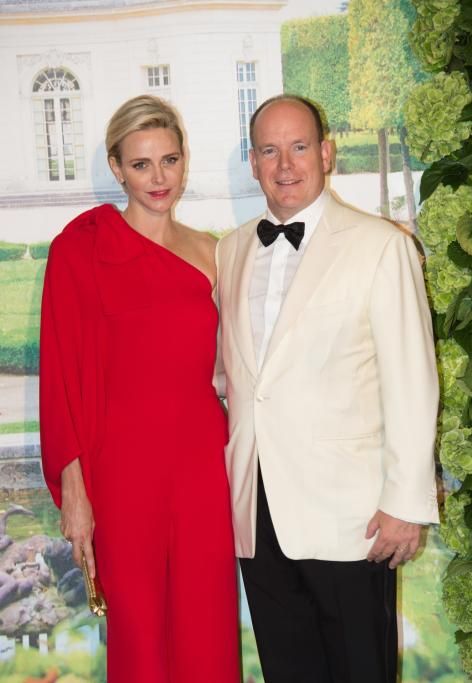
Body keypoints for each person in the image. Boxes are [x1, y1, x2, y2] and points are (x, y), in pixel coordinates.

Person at [216, 94, 439, 683]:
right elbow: (230, 376)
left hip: (353, 519)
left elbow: (412, 381)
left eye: (299, 146)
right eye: (269, 151)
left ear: (326, 153)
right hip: (259, 515)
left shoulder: (381, 245)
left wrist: (405, 504)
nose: (285, 165)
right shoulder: (230, 250)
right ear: (253, 162)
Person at [39, 94, 240, 683]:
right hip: (121, 471)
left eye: (169, 160)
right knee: (139, 634)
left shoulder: (213, 252)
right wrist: (75, 494)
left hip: (202, 465)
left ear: (184, 161)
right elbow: (60, 378)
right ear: (116, 167)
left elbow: (234, 368)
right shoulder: (80, 248)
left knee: (206, 624)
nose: (158, 178)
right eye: (141, 164)